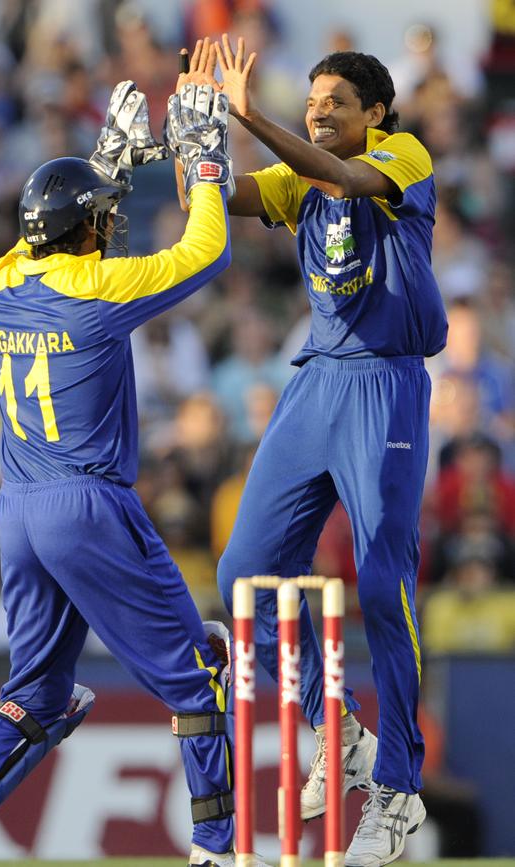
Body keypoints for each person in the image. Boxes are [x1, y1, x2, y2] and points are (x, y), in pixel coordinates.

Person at [0, 80, 269, 867]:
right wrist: (203, 162)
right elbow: (208, 251)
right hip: (88, 502)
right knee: (196, 674)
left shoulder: (0, 288)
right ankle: (216, 849)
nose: (109, 227)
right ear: (81, 234)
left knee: (37, 691)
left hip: (20, 508)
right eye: (99, 218)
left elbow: (45, 235)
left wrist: (106, 163)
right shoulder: (98, 292)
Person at [178, 37, 448, 867]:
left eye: (337, 101)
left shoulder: (402, 154)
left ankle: (398, 789)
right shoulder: (298, 175)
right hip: (315, 383)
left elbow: (352, 181)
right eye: (312, 100)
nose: (320, 109)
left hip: (384, 385)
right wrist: (195, 140)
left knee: (378, 579)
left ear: (374, 112)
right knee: (240, 574)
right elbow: (219, 199)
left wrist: (247, 113)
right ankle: (338, 731)